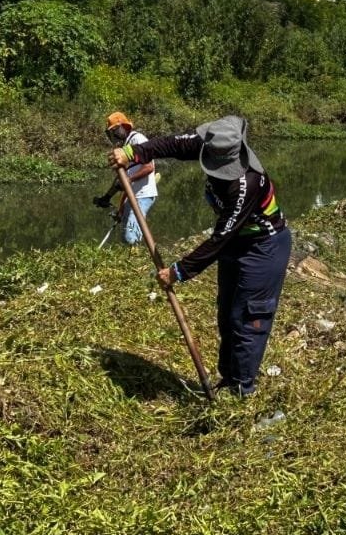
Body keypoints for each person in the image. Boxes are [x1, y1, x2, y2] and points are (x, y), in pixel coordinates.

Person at [109, 115, 290, 397]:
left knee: (248, 316)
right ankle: (228, 378)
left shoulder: (246, 183)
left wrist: (178, 271)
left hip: (263, 248)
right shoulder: (209, 145)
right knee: (227, 312)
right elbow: (170, 144)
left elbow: (220, 238)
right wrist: (131, 152)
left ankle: (242, 389)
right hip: (235, 244)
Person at [93, 112, 158, 246]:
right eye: (111, 133)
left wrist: (129, 180)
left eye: (115, 131)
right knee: (126, 237)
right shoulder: (124, 147)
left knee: (130, 237)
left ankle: (139, 260)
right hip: (132, 196)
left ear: (124, 127)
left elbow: (148, 167)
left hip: (143, 195)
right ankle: (134, 260)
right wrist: (109, 199)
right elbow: (121, 180)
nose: (114, 136)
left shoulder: (137, 139)